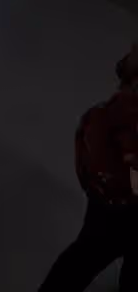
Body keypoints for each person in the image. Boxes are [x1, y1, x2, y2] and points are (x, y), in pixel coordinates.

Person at [38, 43, 138, 291]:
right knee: (90, 257)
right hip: (123, 206)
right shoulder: (127, 117)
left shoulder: (110, 112)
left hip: (106, 198)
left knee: (82, 258)